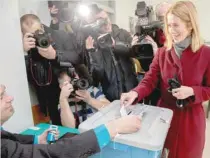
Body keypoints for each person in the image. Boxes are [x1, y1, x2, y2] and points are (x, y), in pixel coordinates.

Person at [120, 1, 210, 158]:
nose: (171, 30)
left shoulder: (206, 54)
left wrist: (192, 91)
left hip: (191, 121)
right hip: (164, 117)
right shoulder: (162, 53)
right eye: (168, 25)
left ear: (190, 25)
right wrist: (135, 93)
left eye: (176, 25)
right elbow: (149, 80)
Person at [0, 84, 141, 158]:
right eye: (1, 96)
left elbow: (10, 138)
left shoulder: (93, 91)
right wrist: (113, 127)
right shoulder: (62, 101)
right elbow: (54, 153)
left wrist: (37, 140)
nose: (10, 98)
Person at [21, 14, 82, 125]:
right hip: (50, 102)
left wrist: (55, 55)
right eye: (31, 35)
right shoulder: (27, 48)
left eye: (38, 32)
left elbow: (77, 57)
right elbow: (28, 80)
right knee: (61, 134)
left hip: (72, 95)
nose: (36, 37)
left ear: (42, 27)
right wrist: (24, 53)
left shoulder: (60, 35)